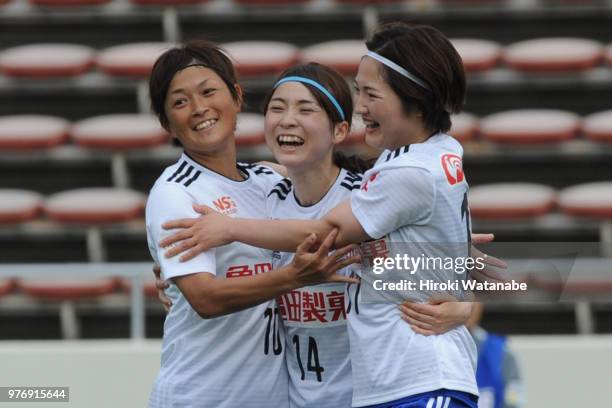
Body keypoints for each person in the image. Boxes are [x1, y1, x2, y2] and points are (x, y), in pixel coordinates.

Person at [160, 23, 483, 407]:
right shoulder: (261, 193)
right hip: (312, 397)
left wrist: (466, 303)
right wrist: (177, 278)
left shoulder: (376, 186)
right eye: (277, 108)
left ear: (340, 129)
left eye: (305, 109)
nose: (287, 120)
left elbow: (467, 263)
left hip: (403, 381)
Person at [145, 39, 360, 408]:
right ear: (168, 124)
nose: (199, 109)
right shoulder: (175, 192)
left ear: (237, 98)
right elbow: (205, 298)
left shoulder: (270, 182)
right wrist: (293, 277)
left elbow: (332, 184)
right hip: (200, 398)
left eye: (208, 91)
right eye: (180, 102)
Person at [467, 304, 525, 408]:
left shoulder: (502, 353)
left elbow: (513, 402)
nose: (468, 306)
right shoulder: (433, 349)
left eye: (474, 299)